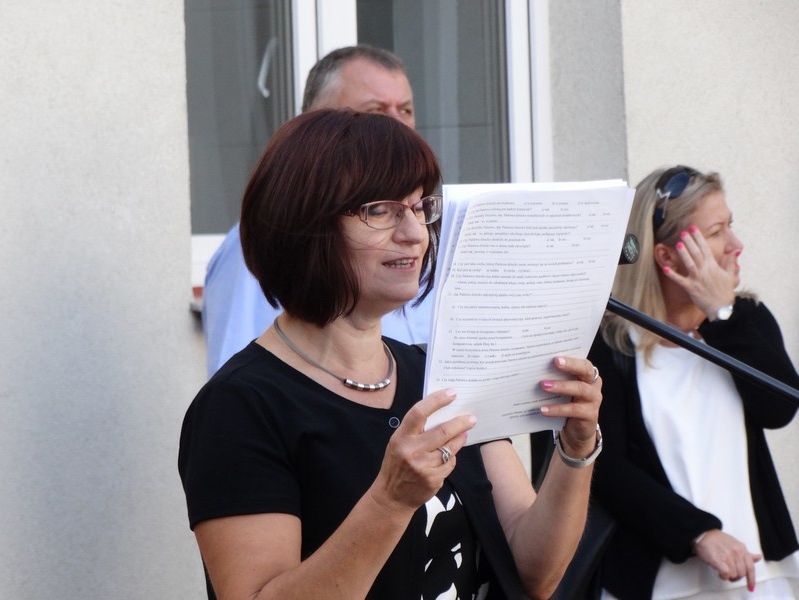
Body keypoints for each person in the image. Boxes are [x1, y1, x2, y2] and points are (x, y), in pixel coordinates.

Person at [179, 109, 605, 599]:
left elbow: (535, 573)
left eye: (420, 207)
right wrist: (389, 502)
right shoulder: (239, 406)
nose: (415, 233)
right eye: (381, 211)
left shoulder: (437, 375)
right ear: (304, 224)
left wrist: (576, 450)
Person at [588, 165, 799, 599]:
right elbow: (605, 467)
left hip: (760, 578)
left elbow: (780, 408)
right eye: (717, 232)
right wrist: (697, 533)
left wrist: (723, 315)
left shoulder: (745, 320)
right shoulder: (610, 343)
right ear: (667, 257)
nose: (736, 245)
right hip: (656, 583)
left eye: (730, 226)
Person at [202, 44, 430, 377]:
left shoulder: (419, 231)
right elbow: (241, 377)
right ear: (316, 123)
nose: (398, 126)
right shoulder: (275, 239)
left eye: (406, 110)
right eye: (376, 112)